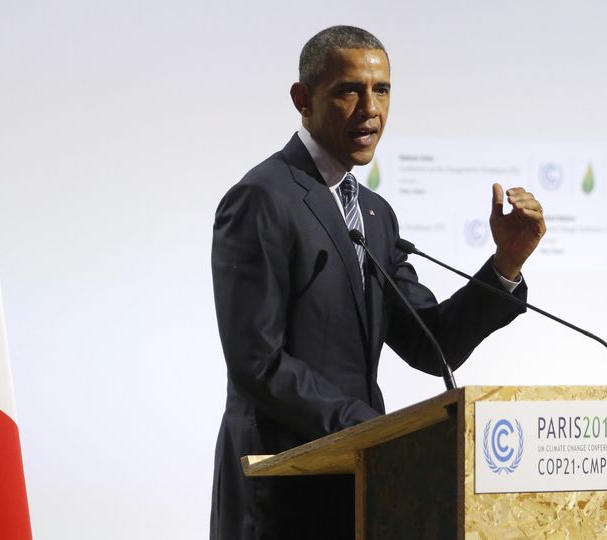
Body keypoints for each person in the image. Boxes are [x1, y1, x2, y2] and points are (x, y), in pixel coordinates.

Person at [209, 25, 546, 540]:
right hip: (282, 491)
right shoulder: (262, 198)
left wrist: (506, 263)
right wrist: (371, 430)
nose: (371, 108)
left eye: (382, 89)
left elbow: (432, 343)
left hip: (363, 489)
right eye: (349, 90)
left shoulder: (374, 213)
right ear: (302, 99)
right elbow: (258, 362)